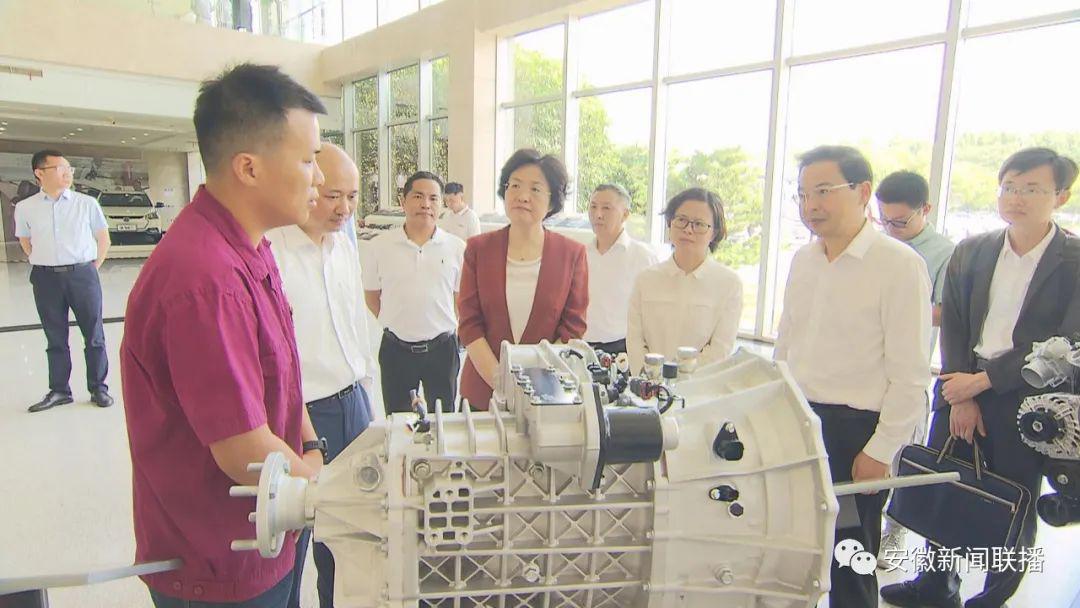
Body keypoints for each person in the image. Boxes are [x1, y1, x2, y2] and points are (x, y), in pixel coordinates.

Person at [121, 64, 327, 607]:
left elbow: (282, 373)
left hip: (271, 528)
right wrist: (336, 496)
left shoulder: (251, 246)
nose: (319, 177)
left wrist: (311, 449)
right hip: (219, 560)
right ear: (249, 168)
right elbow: (245, 452)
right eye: (308, 159)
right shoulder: (205, 279)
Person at [881, 147, 1080, 608]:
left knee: (1013, 501)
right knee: (944, 483)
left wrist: (985, 382)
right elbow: (953, 324)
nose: (1017, 198)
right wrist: (962, 392)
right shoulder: (973, 250)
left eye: (1032, 189)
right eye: (1009, 187)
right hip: (961, 384)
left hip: (1026, 396)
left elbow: (1069, 340)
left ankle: (993, 596)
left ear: (1061, 195)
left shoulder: (1073, 260)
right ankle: (935, 585)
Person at [773, 145, 931, 608]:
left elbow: (911, 372)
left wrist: (880, 450)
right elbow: (787, 342)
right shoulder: (804, 259)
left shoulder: (898, 265)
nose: (811, 205)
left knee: (850, 555)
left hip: (855, 433)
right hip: (798, 422)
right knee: (793, 549)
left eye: (823, 191)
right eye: (803, 194)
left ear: (863, 192)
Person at [268, 143, 375, 608]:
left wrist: (367, 396)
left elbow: (355, 327)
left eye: (352, 196)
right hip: (301, 416)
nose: (344, 208)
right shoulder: (271, 251)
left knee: (351, 542)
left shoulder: (344, 247)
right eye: (333, 195)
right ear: (309, 185)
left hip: (354, 406)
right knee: (293, 543)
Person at [457, 148, 588, 410]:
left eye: (535, 189)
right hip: (483, 392)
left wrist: (533, 384)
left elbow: (573, 327)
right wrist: (502, 383)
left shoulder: (572, 254)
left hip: (545, 394)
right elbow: (470, 324)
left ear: (552, 202)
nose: (522, 196)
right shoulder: (478, 249)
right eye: (514, 185)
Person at [874, 170, 956, 565]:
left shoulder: (944, 252)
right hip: (867, 368)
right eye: (884, 220)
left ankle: (896, 531)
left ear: (926, 209)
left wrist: (901, 307)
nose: (891, 229)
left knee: (902, 456)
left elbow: (946, 310)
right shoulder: (877, 245)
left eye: (900, 222)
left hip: (908, 369)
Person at [15, 149, 113, 412]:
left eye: (69, 168)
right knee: (55, 337)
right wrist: (43, 260)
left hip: (82, 275)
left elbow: (103, 238)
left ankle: (99, 388)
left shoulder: (86, 203)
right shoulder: (25, 208)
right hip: (46, 278)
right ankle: (59, 390)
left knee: (94, 335)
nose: (67, 173)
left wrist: (91, 268)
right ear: (39, 173)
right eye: (60, 168)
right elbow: (25, 240)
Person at [363, 171, 464, 414]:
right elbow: (372, 297)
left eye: (433, 198)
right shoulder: (379, 246)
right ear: (403, 201)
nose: (426, 204)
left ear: (441, 204)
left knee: (444, 420)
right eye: (418, 196)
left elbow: (459, 299)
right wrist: (398, 321)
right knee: (399, 422)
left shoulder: (456, 248)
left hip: (442, 350)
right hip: (396, 350)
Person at [626, 188, 742, 373]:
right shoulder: (646, 279)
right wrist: (650, 378)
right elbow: (635, 340)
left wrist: (681, 380)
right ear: (670, 223)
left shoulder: (729, 284)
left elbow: (720, 349)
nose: (688, 229)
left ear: (713, 233)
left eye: (699, 224)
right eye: (681, 220)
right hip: (648, 382)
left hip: (700, 384)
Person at [584, 184, 657, 357]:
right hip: (581, 348)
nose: (598, 214)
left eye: (606, 208)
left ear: (625, 214)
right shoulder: (580, 254)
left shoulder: (643, 257)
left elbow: (654, 312)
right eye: (593, 207)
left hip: (624, 349)